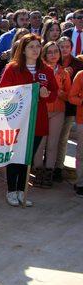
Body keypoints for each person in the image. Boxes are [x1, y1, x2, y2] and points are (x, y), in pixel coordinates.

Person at [0, 34, 57, 207]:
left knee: (27, 158)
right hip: (17, 120)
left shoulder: (46, 70)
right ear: (23, 49)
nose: (35, 50)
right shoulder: (12, 68)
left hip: (37, 120)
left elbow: (54, 93)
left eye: (38, 46)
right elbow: (3, 92)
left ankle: (22, 191)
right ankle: (11, 190)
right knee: (15, 156)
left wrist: (46, 95)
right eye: (31, 46)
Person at [33, 41, 69, 187]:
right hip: (41, 110)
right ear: (44, 54)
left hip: (58, 111)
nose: (53, 55)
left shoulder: (64, 72)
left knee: (53, 144)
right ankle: (38, 172)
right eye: (50, 52)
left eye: (56, 51)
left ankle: (49, 173)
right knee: (40, 143)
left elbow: (69, 95)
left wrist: (61, 94)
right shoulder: (39, 70)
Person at [53, 36, 83, 182]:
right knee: (51, 138)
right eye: (61, 46)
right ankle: (47, 166)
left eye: (67, 47)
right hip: (52, 105)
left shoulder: (78, 64)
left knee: (63, 138)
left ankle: (58, 167)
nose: (64, 49)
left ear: (71, 48)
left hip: (69, 107)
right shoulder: (51, 60)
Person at [67, 69, 83, 197]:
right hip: (82, 120)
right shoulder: (81, 75)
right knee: (82, 152)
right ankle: (80, 183)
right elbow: (71, 97)